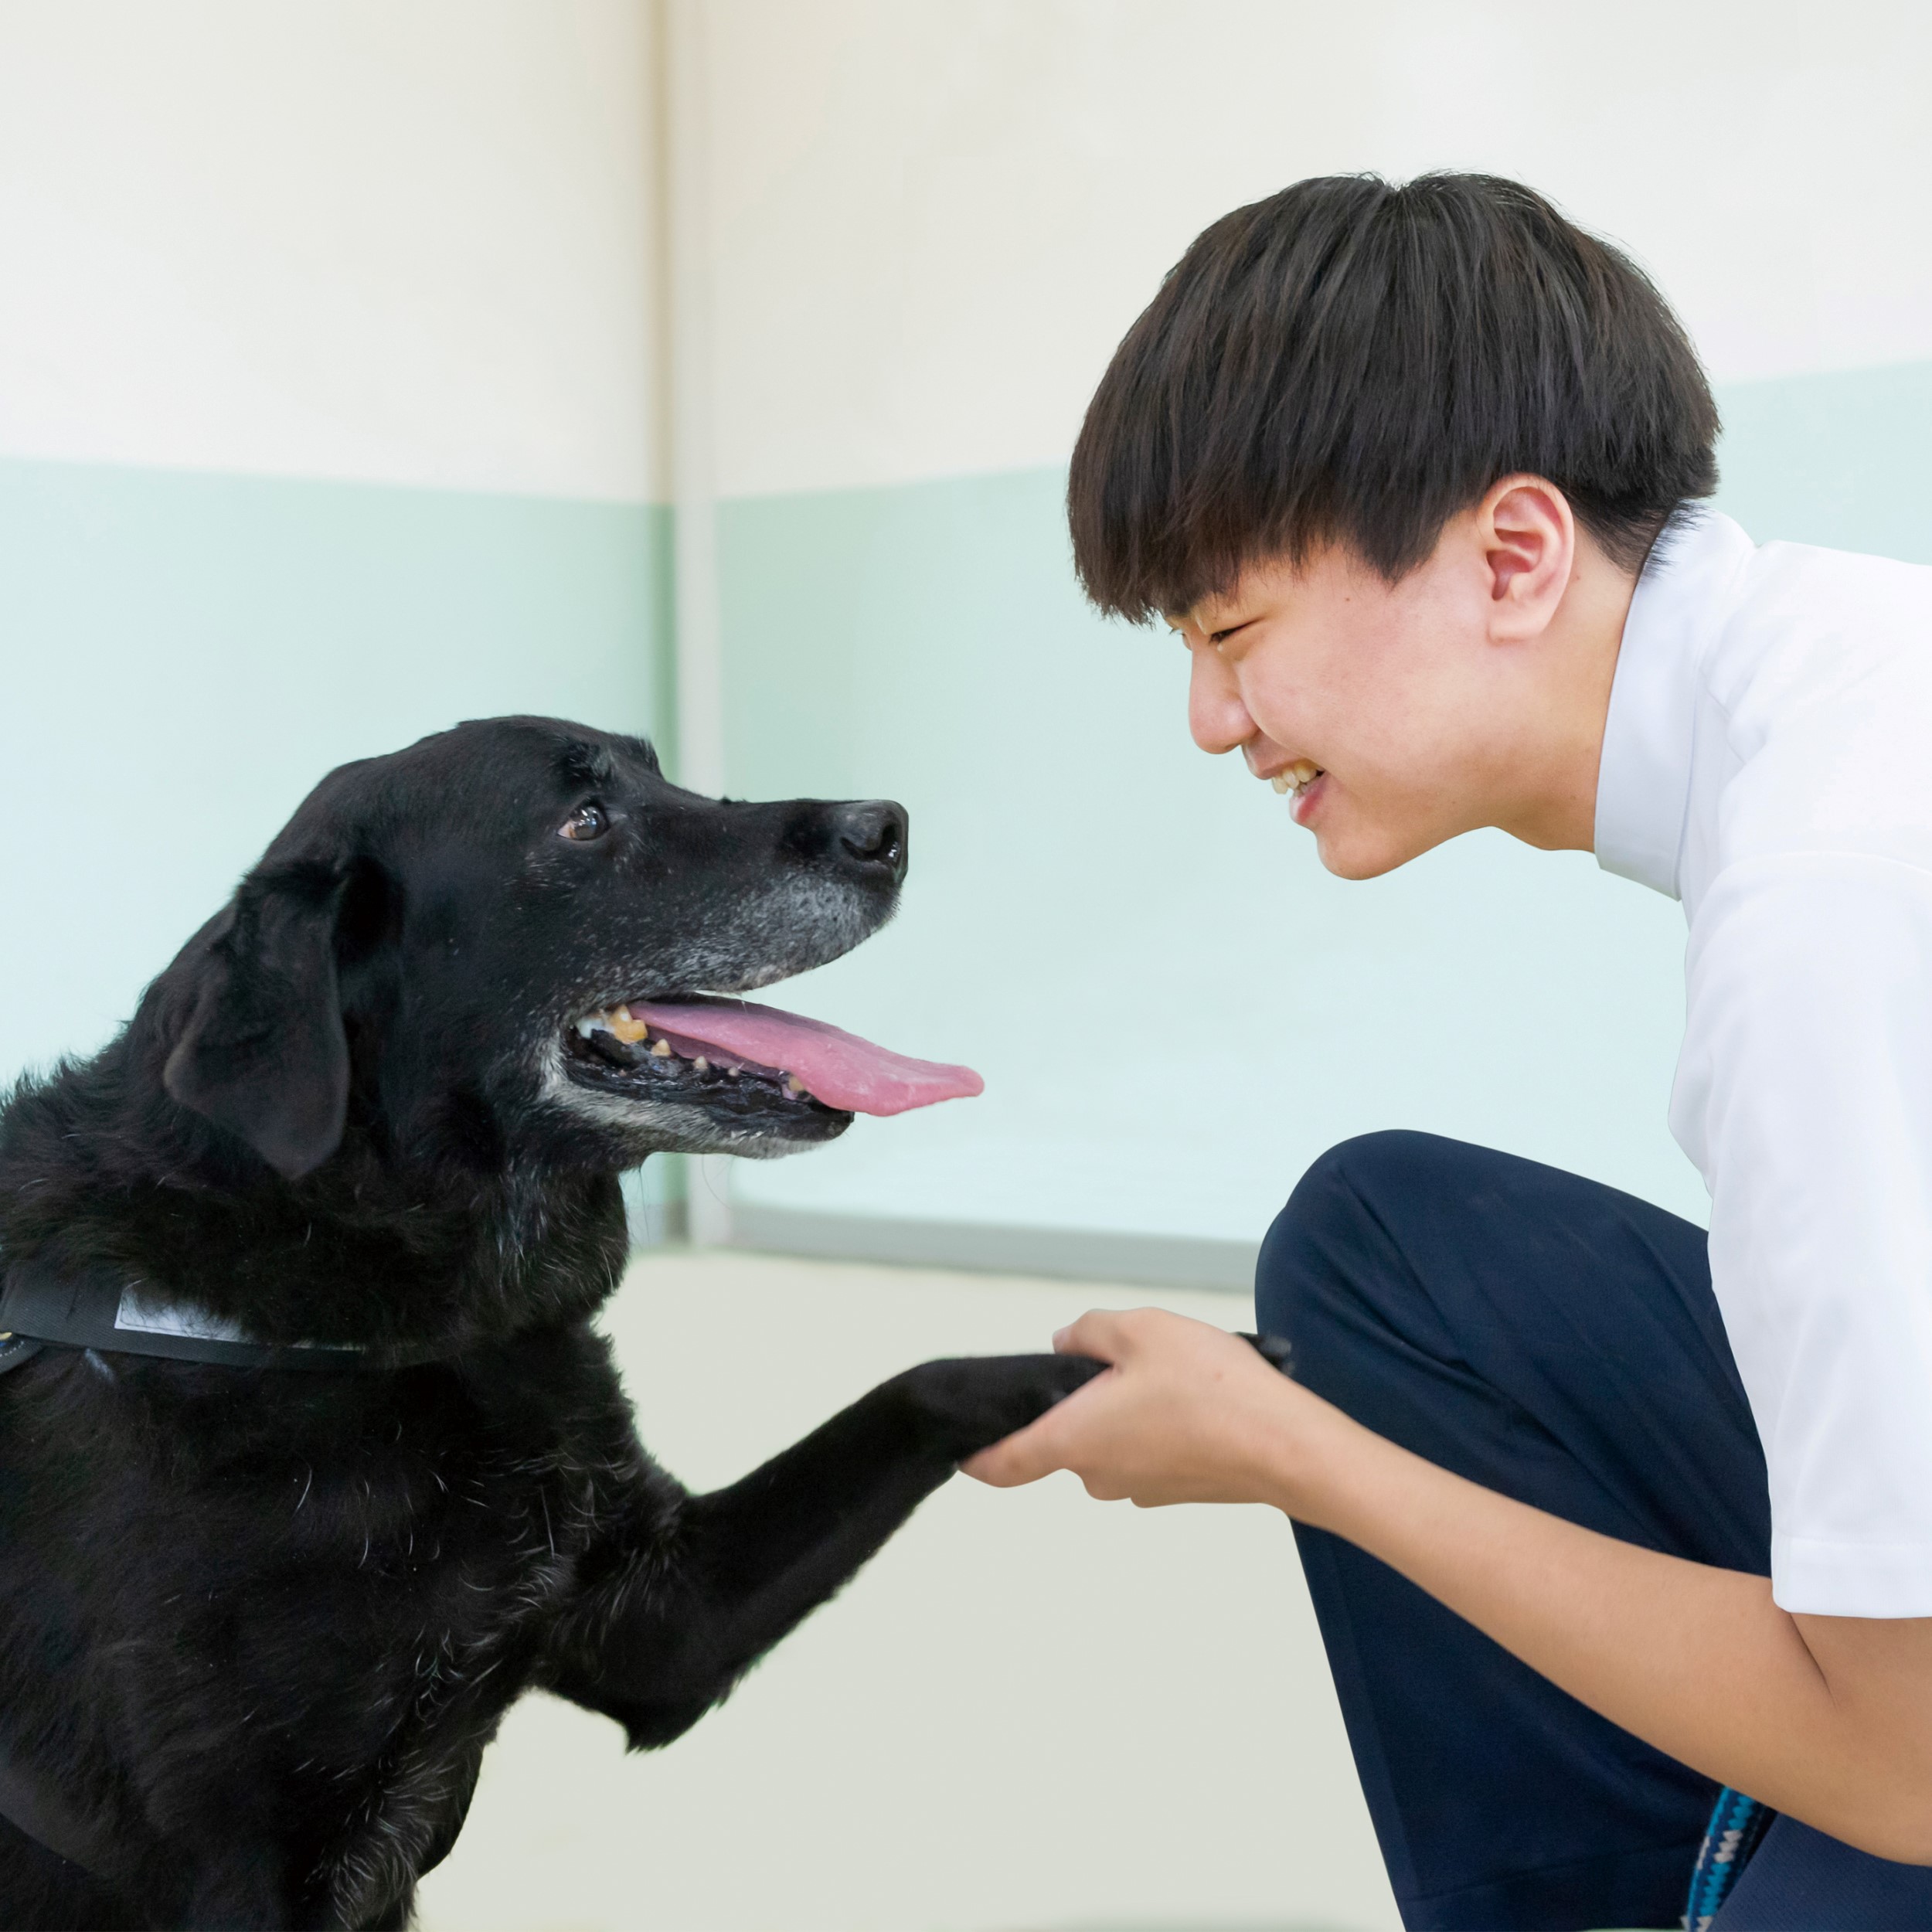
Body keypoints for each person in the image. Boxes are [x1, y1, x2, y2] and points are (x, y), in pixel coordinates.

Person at [965, 173, 1932, 1931]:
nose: (1208, 719)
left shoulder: (1818, 908)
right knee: (1391, 1247)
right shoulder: (1845, 674)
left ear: (1510, 553)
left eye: (1230, 631)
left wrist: (1290, 1450)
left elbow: (1911, 1762)